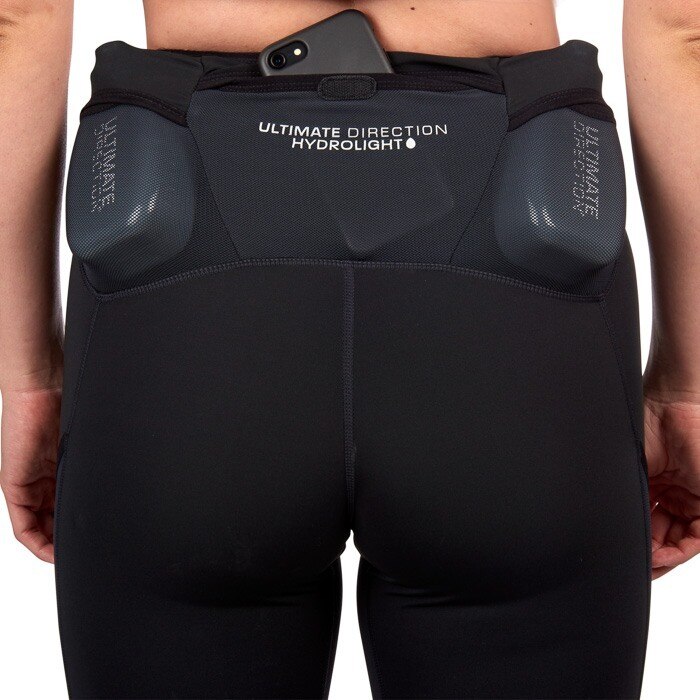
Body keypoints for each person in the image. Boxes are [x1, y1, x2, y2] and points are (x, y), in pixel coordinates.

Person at [0, 1, 698, 698]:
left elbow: (17, 18)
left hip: (186, 280)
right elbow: (682, 29)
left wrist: (27, 379)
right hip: (514, 266)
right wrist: (686, 384)